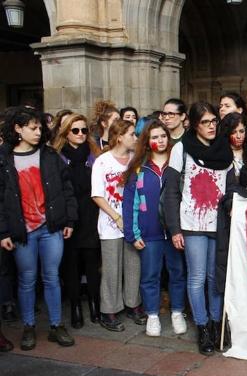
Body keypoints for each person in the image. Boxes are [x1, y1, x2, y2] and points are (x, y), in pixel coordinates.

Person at [0, 106, 78, 350]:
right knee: (27, 279)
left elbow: (67, 190)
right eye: (32, 128)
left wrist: (69, 220)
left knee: (52, 277)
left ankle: (56, 326)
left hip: (51, 227)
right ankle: (29, 327)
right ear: (17, 129)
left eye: (39, 127)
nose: (38, 132)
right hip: (23, 231)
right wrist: (3, 232)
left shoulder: (50, 155)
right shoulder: (4, 158)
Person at [162, 102, 236, 355]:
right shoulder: (182, 148)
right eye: (205, 122)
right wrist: (174, 229)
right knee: (197, 277)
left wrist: (234, 203)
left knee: (215, 278)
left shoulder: (224, 149)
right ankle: (203, 327)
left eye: (214, 121)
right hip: (191, 223)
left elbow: (232, 186)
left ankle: (217, 324)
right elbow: (170, 191)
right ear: (194, 125)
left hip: (219, 225)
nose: (212, 126)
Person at [121, 120, 187, 337]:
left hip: (176, 233)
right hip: (149, 233)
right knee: (150, 275)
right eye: (155, 137)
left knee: (177, 274)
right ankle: (152, 316)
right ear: (147, 142)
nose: (160, 140)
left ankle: (177, 312)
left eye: (163, 136)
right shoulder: (138, 168)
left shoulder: (178, 164)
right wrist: (132, 234)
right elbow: (129, 204)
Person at [91, 119, 145, 332]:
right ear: (120, 136)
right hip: (110, 222)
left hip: (133, 222)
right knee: (112, 268)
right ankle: (109, 310)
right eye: (132, 134)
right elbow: (97, 195)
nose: (136, 138)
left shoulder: (135, 160)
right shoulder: (103, 161)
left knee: (133, 264)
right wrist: (116, 217)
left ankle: (133, 304)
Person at [52, 114, 102, 328]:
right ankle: (74, 307)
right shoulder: (56, 157)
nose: (81, 134)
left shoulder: (95, 155)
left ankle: (94, 303)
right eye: (75, 130)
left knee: (92, 262)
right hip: (69, 218)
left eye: (84, 130)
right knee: (71, 264)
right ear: (66, 132)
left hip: (92, 215)